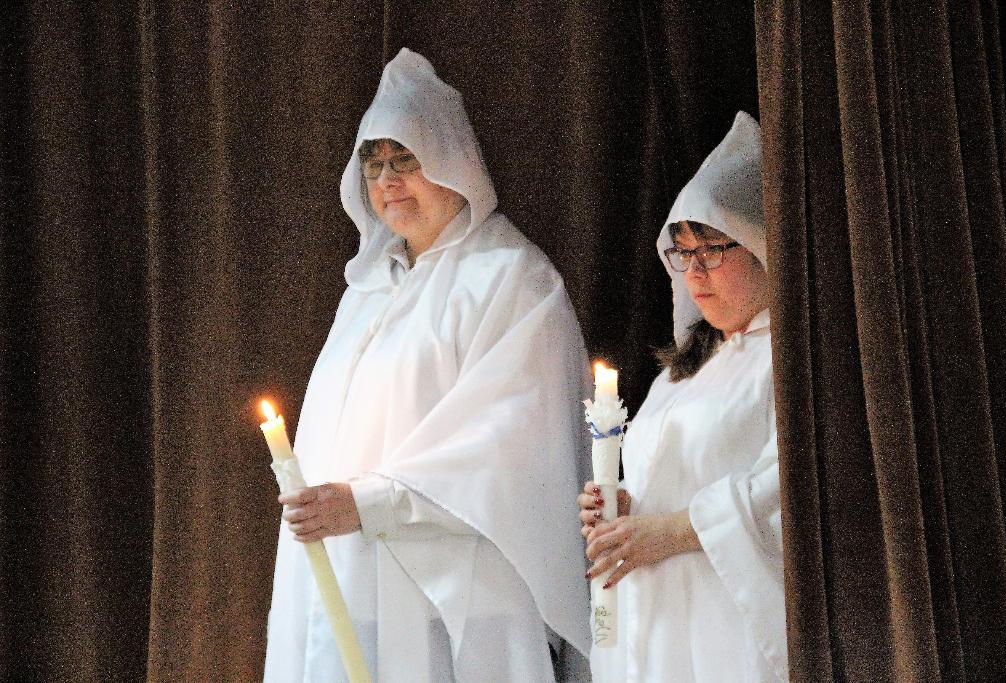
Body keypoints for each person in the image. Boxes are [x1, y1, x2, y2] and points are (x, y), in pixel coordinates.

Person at [264, 49, 592, 683]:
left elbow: (510, 443)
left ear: (450, 160)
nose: (388, 180)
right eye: (374, 163)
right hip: (352, 578)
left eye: (406, 159)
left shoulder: (512, 278)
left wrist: (373, 502)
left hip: (456, 596)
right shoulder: (367, 289)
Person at [578, 112, 787, 683]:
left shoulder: (788, 360)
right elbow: (665, 477)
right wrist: (623, 505)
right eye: (682, 253)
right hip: (655, 626)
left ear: (761, 246)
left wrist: (669, 533)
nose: (694, 272)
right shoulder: (683, 372)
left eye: (712, 250)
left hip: (725, 627)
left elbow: (784, 488)